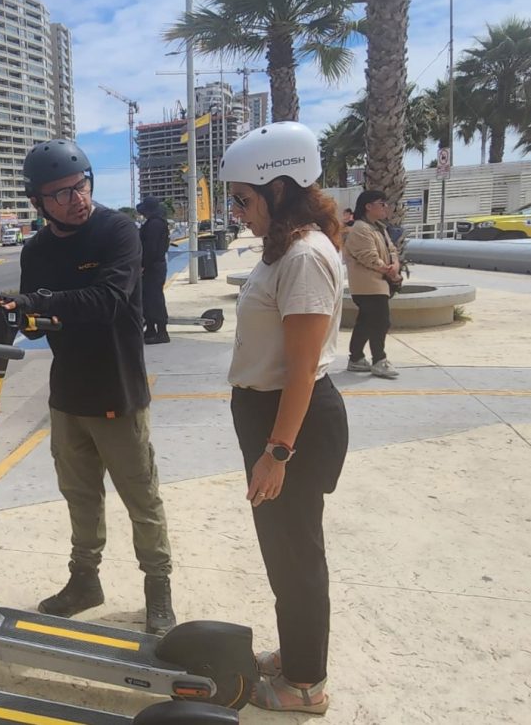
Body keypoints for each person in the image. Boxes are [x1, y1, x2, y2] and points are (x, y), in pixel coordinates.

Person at [0, 139, 175, 635]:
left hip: (117, 390)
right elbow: (35, 327)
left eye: (81, 185)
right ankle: (85, 581)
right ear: (38, 202)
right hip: (67, 394)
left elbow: (108, 300)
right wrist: (5, 315)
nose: (77, 198)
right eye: (62, 193)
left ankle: (158, 588)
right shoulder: (37, 250)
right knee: (79, 495)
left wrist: (37, 301)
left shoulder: (117, 231)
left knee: (141, 497)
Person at [221, 121, 350, 713]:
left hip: (289, 422)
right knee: (285, 549)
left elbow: (301, 370)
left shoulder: (303, 256)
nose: (238, 212)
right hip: (272, 415)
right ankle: (299, 654)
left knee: (296, 555)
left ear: (278, 188)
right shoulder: (287, 247)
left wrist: (276, 453)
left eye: (243, 199)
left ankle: (304, 685)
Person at [344, 190, 400, 379]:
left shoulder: (378, 227)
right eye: (381, 203)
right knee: (380, 321)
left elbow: (392, 249)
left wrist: (395, 265)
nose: (386, 207)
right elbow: (369, 257)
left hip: (378, 283)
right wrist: (390, 272)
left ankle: (356, 358)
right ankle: (379, 360)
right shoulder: (360, 228)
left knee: (366, 322)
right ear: (368, 206)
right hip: (368, 285)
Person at [137, 196, 170, 344]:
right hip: (156, 265)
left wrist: (143, 265)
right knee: (149, 298)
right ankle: (151, 329)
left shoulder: (154, 225)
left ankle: (161, 331)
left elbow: (150, 248)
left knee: (154, 298)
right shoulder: (158, 223)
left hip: (153, 267)